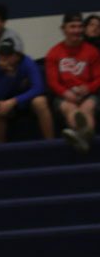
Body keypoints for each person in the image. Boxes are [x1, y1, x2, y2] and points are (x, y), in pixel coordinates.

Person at [45, 12, 100, 153]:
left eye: (80, 26)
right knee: (71, 110)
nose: (77, 30)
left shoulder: (92, 51)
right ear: (64, 29)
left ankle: (79, 137)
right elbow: (52, 81)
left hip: (88, 94)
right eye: (72, 26)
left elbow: (98, 78)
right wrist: (66, 93)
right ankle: (86, 137)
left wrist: (87, 89)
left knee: (87, 108)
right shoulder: (54, 52)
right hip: (64, 95)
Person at [0, 40, 54, 142]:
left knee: (40, 102)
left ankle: (51, 143)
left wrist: (14, 101)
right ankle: (0, 151)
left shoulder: (27, 62)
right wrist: (8, 76)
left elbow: (38, 87)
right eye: (1, 55)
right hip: (7, 100)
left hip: (27, 99)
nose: (3, 59)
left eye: (8, 55)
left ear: (17, 55)